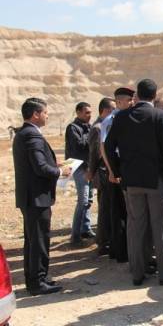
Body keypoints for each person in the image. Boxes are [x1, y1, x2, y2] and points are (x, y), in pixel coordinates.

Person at [105, 79, 163, 286]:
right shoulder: (161, 115)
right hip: (158, 180)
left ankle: (137, 273)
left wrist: (117, 172)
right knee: (160, 227)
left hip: (131, 181)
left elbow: (108, 146)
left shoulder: (121, 117)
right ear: (155, 96)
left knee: (136, 226)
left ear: (137, 95)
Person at [13, 98, 71, 295]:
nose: (47, 116)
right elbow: (40, 168)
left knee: (32, 240)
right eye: (45, 112)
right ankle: (38, 282)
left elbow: (35, 163)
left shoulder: (24, 133)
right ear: (35, 114)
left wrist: (54, 164)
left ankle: (36, 279)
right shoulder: (32, 135)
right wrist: (60, 172)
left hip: (30, 197)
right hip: (36, 197)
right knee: (38, 240)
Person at [100, 87, 135, 262]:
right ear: (119, 102)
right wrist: (112, 171)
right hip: (116, 167)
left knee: (127, 211)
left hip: (124, 166)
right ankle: (120, 250)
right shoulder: (111, 120)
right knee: (119, 210)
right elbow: (104, 148)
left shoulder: (126, 117)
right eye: (129, 100)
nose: (132, 103)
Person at [87, 97, 116, 255]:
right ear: (105, 110)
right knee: (105, 209)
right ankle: (103, 242)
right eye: (112, 109)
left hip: (106, 172)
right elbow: (94, 154)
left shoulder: (105, 125)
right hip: (103, 173)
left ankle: (107, 239)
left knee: (109, 207)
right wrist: (91, 172)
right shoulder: (98, 128)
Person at [65, 102, 94, 245]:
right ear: (78, 112)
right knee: (83, 201)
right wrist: (91, 135)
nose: (89, 115)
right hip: (79, 167)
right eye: (86, 112)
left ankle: (85, 228)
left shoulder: (88, 127)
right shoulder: (73, 128)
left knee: (89, 200)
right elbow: (78, 146)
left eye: (90, 112)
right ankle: (75, 235)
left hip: (89, 167)